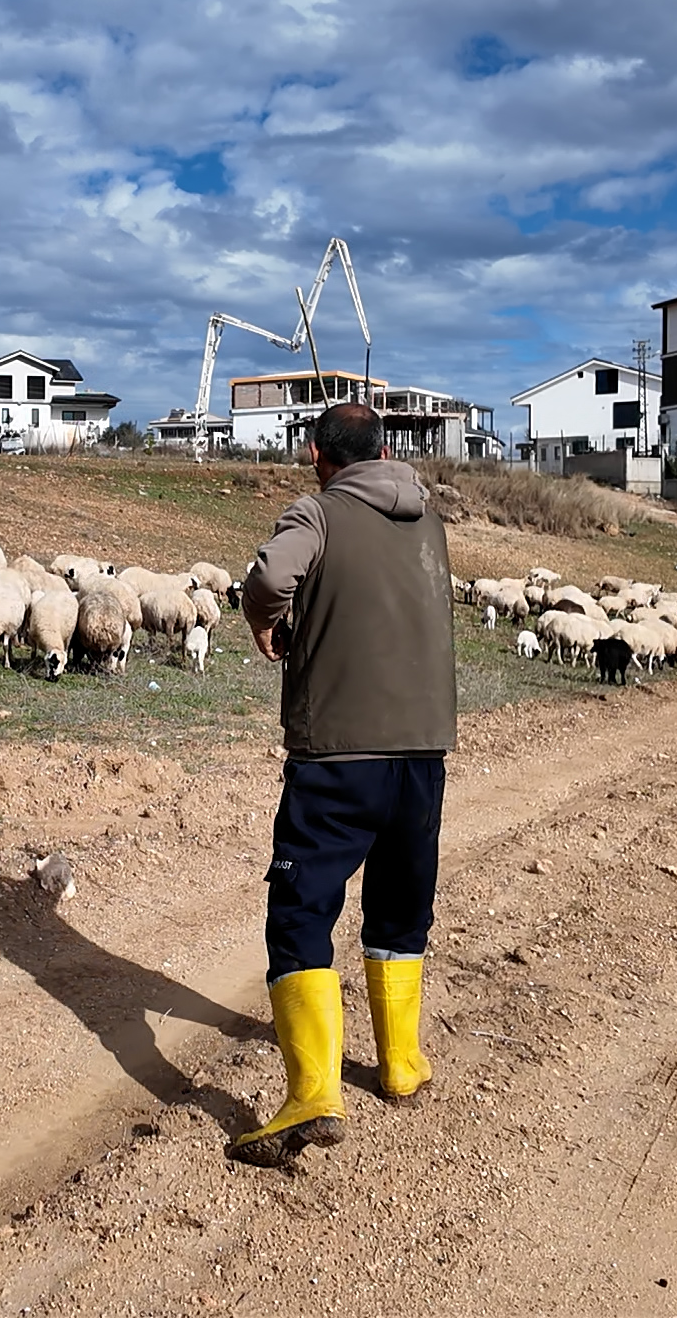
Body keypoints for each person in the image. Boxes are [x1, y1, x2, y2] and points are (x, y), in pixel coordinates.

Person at [230, 402, 455, 1167]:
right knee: (399, 907)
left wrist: (265, 620)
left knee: (301, 912)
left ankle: (313, 1093)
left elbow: (267, 577)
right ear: (388, 450)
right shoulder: (429, 519)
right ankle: (400, 1065)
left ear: (317, 456)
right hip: (423, 754)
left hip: (338, 757)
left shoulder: (318, 512)